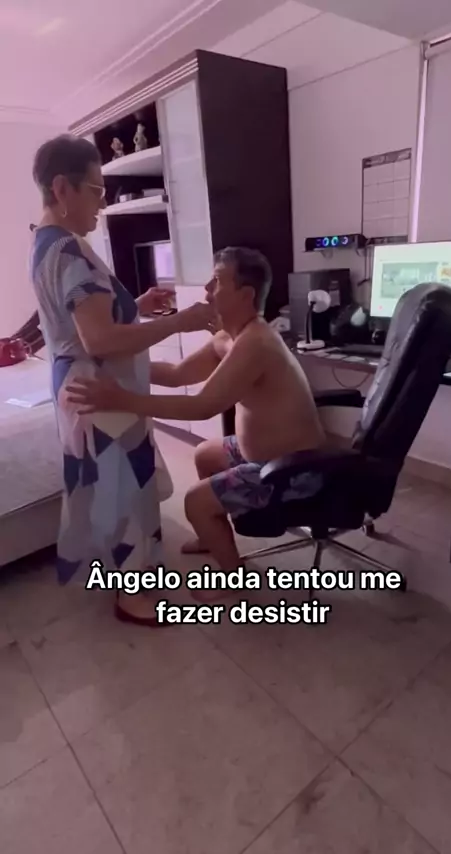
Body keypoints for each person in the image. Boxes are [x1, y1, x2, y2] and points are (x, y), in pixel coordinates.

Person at [66, 246, 327, 600]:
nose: (207, 288)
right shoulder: (228, 337)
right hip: (262, 451)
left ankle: (235, 579)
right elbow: (177, 374)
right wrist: (120, 370)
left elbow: (201, 407)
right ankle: (211, 536)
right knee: (205, 454)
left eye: (217, 281)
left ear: (246, 294)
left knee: (196, 502)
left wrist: (122, 399)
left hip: (293, 467)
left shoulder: (257, 344)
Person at [30, 134, 214, 625]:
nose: (102, 203)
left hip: (81, 387)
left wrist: (135, 304)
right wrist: (181, 321)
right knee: (122, 491)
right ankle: (133, 597)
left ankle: (125, 577)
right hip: (100, 393)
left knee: (109, 487)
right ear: (63, 188)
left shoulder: (46, 243)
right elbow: (101, 339)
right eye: (96, 190)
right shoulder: (70, 251)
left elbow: (84, 317)